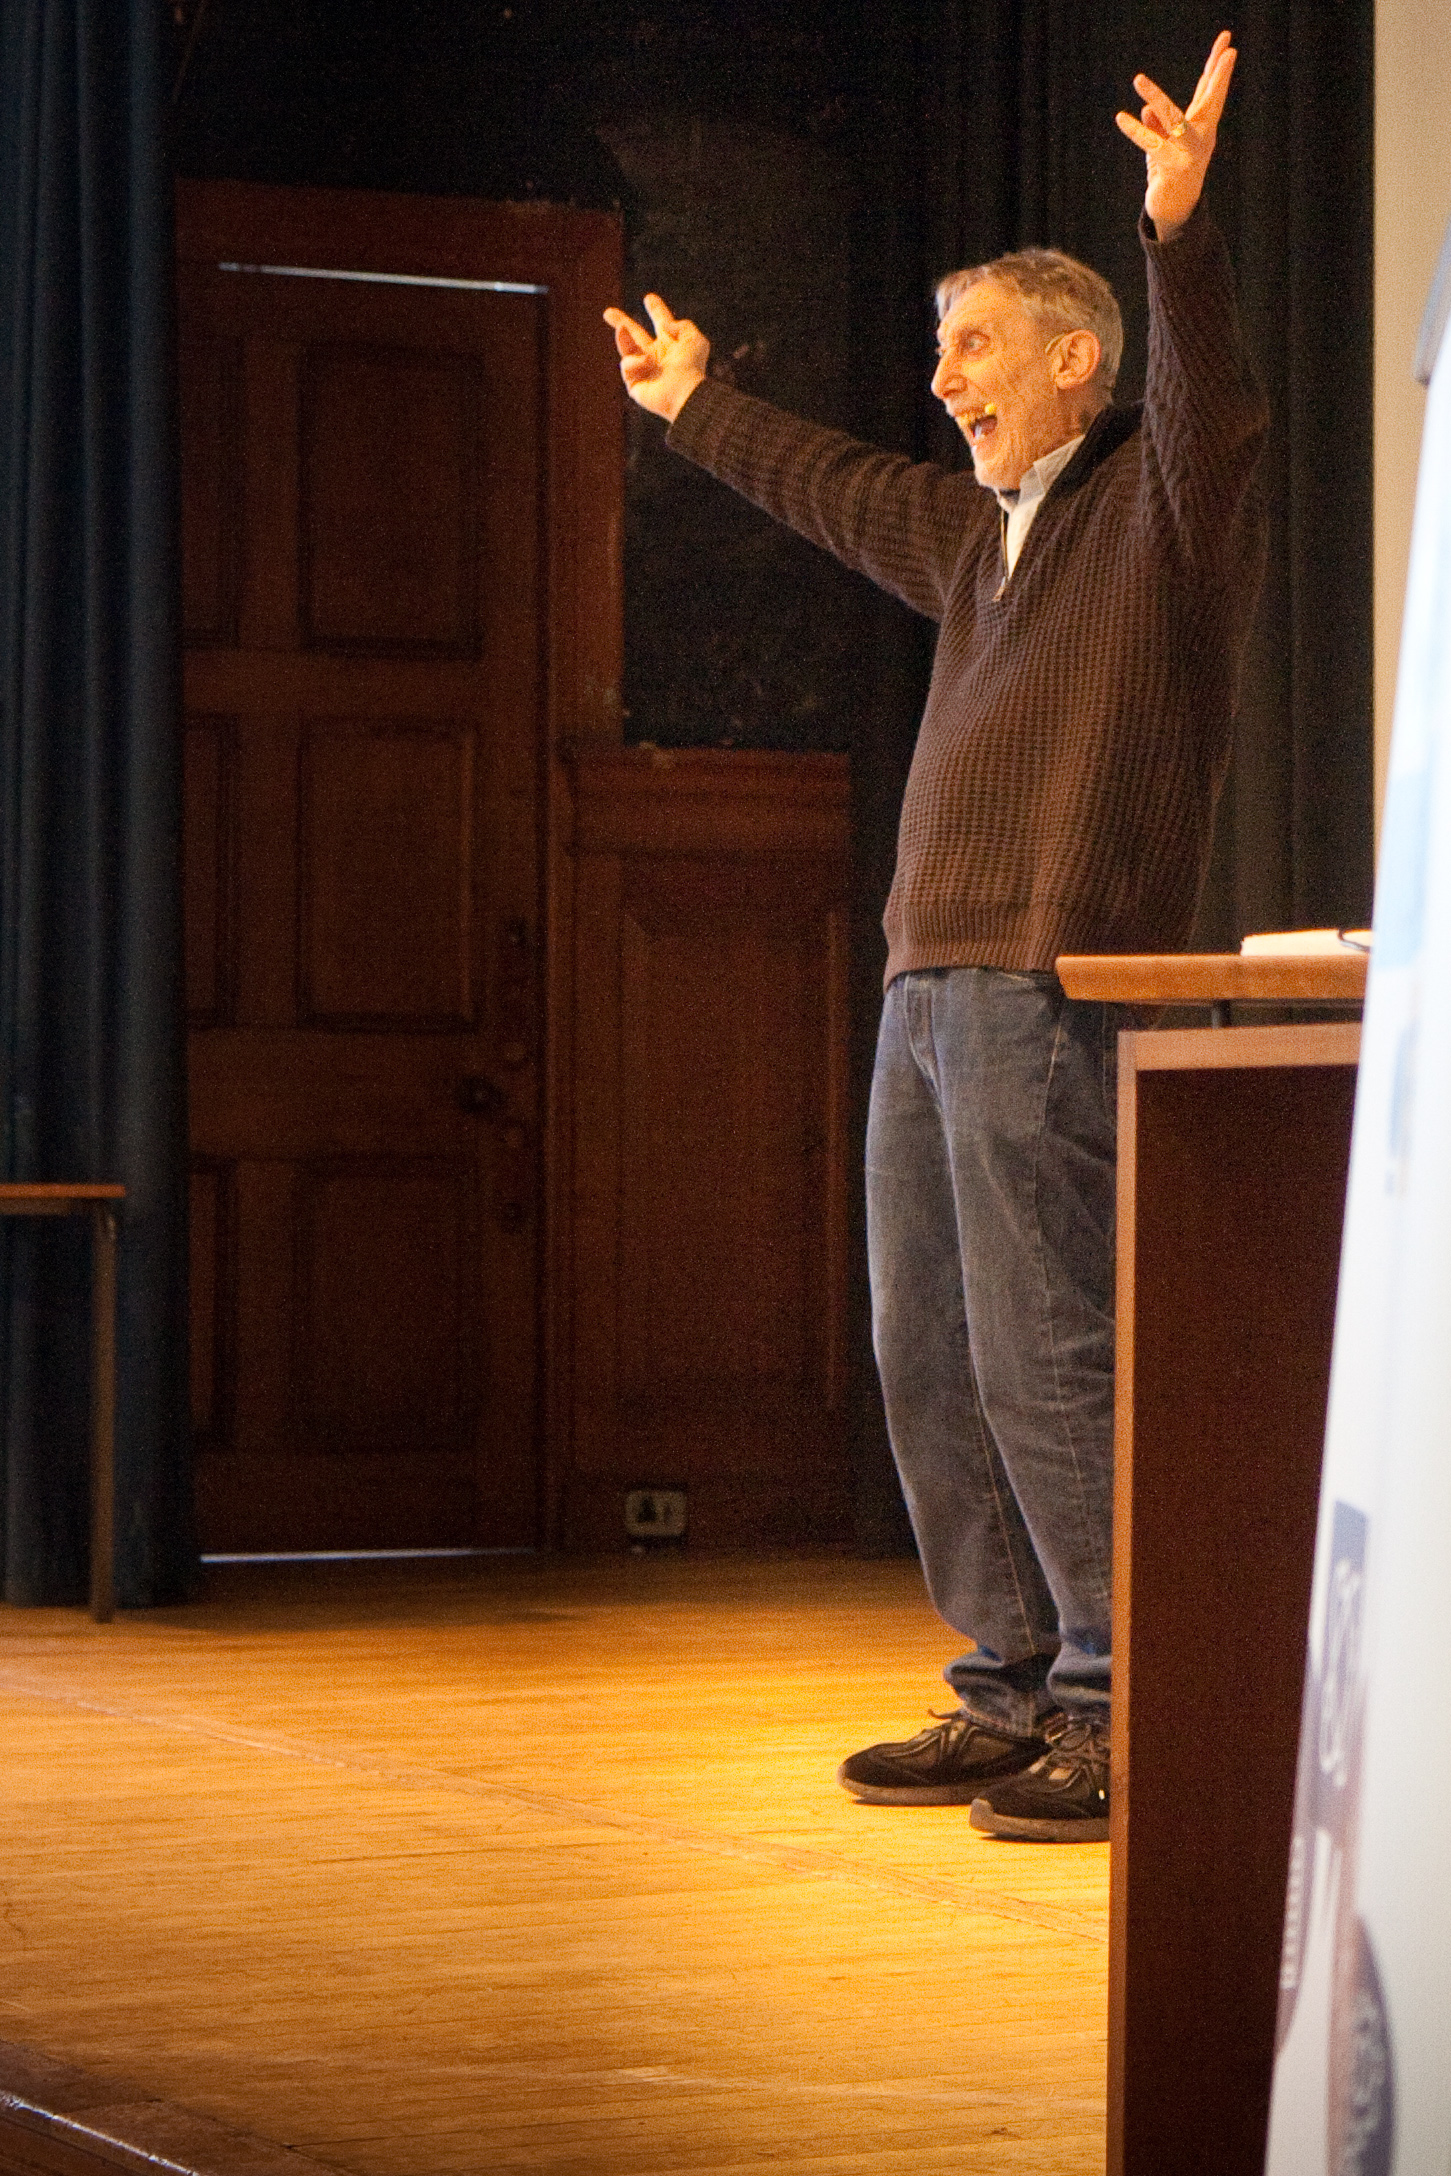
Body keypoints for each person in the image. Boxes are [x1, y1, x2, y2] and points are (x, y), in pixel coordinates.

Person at [605, 32, 1267, 1841]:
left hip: (1050, 972)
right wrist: (692, 405)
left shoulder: (1165, 509)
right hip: (926, 976)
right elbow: (826, 483)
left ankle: (1123, 1701)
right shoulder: (973, 535)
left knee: (1047, 1345)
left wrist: (1179, 233)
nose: (944, 380)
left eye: (973, 347)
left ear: (1074, 359)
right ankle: (1012, 1681)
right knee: (929, 1346)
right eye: (943, 350)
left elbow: (1216, 409)